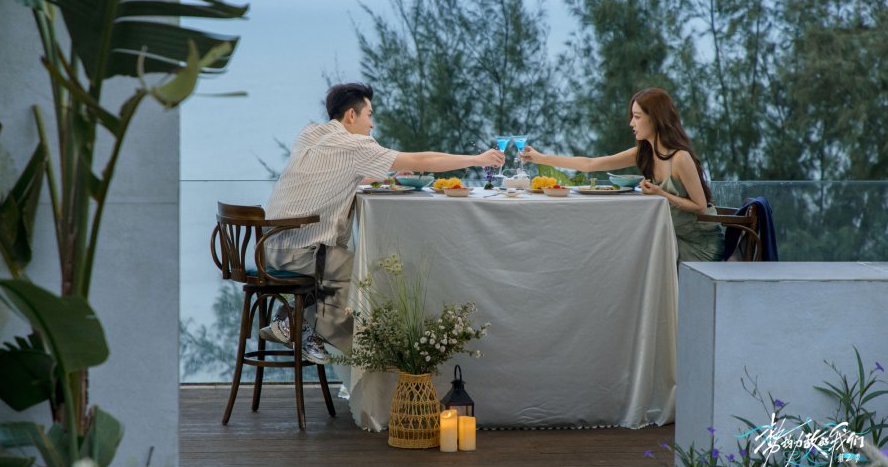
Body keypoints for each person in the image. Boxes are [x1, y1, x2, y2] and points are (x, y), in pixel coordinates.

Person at [262, 83, 505, 364]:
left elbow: (331, 174)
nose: (372, 124)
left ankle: (295, 319)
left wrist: (386, 177)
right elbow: (422, 160)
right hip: (300, 254)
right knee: (371, 275)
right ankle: (306, 327)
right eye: (369, 115)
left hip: (266, 245)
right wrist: (476, 159)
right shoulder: (355, 145)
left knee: (353, 271)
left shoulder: (312, 133)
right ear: (351, 115)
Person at [520, 87, 724, 263]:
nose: (631, 123)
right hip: (670, 237)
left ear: (655, 119)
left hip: (699, 245)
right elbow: (590, 164)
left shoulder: (680, 158)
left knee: (632, 254)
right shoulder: (644, 153)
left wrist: (661, 194)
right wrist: (541, 158)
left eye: (637, 117)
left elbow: (700, 206)